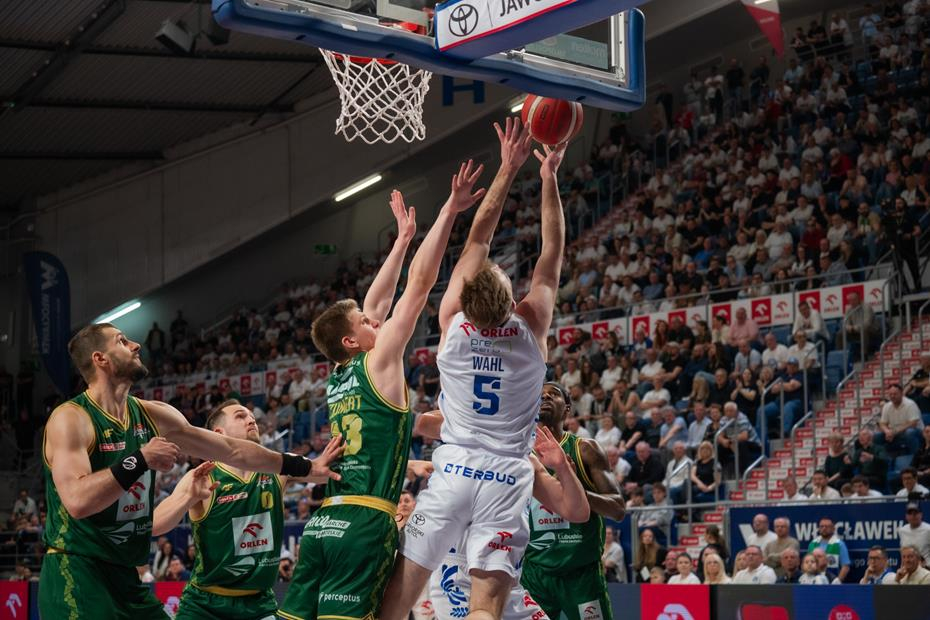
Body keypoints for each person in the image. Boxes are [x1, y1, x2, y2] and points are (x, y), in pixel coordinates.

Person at [280, 158, 485, 620]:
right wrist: (449, 211)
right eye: (365, 323)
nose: (376, 320)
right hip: (366, 521)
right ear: (351, 340)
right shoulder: (380, 361)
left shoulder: (338, 373)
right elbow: (419, 285)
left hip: (323, 522)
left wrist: (402, 241)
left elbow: (376, 302)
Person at [383, 123, 568, 620]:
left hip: (454, 471)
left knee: (396, 602)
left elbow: (479, 237)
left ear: (467, 300)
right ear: (511, 302)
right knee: (484, 609)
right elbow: (551, 254)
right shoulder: (532, 326)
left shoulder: (453, 323)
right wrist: (548, 177)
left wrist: (508, 167)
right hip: (507, 476)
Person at [38, 324, 338, 620]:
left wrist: (306, 466)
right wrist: (140, 459)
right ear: (100, 359)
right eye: (122, 341)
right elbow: (77, 501)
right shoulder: (71, 418)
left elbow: (232, 450)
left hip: (127, 575)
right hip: (77, 569)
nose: (135, 345)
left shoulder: (152, 414)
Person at [165, 400, 343, 620]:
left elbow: (328, 473)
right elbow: (158, 524)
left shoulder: (280, 468)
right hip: (205, 604)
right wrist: (186, 499)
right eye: (240, 416)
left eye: (252, 416)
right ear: (219, 433)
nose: (251, 420)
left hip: (259, 603)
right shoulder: (202, 477)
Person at [423, 419, 590, 620]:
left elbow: (577, 512)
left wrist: (562, 467)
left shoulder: (526, 460)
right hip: (459, 570)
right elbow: (424, 423)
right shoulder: (464, 440)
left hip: (506, 574)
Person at [878, 383, 924, 456]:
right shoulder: (887, 406)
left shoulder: (910, 404)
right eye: (890, 394)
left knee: (910, 432)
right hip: (895, 433)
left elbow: (913, 423)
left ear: (901, 393)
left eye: (895, 394)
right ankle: (882, 460)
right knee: (877, 436)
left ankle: (915, 458)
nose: (892, 396)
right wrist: (887, 431)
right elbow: (882, 423)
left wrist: (895, 432)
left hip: (915, 432)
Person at [807, 517, 850, 582]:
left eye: (827, 526)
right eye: (822, 526)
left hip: (832, 580)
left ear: (833, 529)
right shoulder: (812, 544)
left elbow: (845, 566)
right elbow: (807, 563)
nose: (824, 528)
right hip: (813, 581)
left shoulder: (839, 544)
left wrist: (837, 582)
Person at [898, 502, 930, 566]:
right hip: (908, 568)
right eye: (910, 514)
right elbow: (903, 553)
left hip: (926, 568)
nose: (913, 516)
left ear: (921, 515)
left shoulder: (928, 530)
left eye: (915, 513)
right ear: (906, 516)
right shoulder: (902, 531)